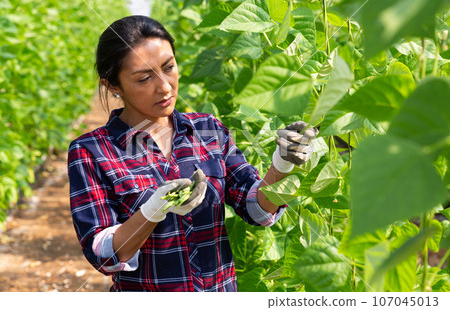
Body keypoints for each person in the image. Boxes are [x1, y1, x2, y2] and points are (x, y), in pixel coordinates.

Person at [68, 15, 318, 292]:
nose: (164, 86)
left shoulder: (207, 129)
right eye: (144, 78)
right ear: (113, 86)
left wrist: (281, 164)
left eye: (169, 67)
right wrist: (153, 209)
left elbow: (256, 208)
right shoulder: (92, 151)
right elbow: (104, 254)